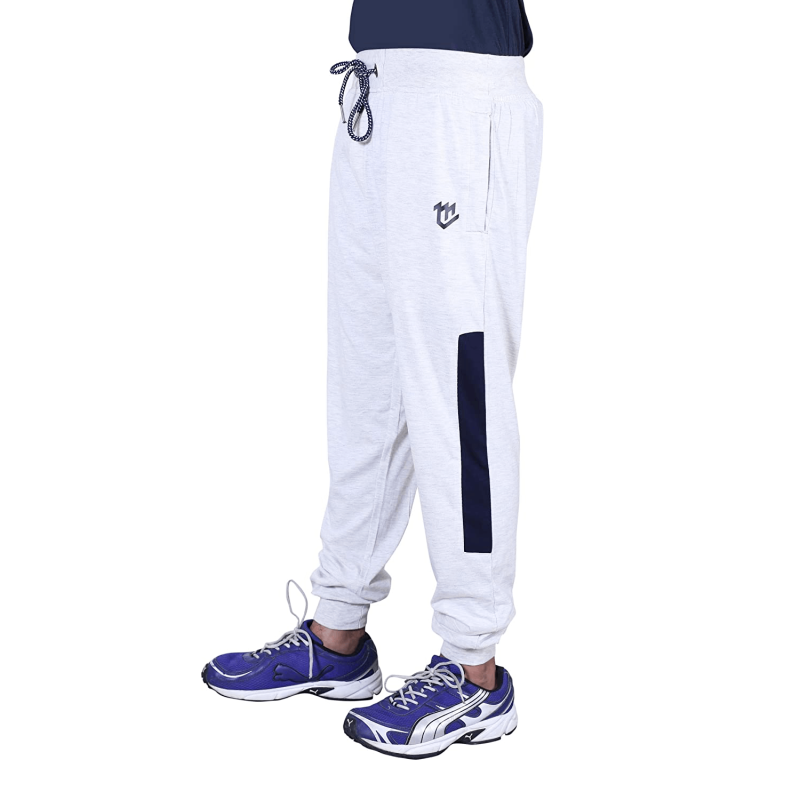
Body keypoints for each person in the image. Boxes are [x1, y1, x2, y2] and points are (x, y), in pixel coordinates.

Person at [202, 0, 543, 759]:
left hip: (462, 100)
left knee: (460, 391)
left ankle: (474, 668)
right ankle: (338, 631)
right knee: (367, 383)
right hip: (374, 94)